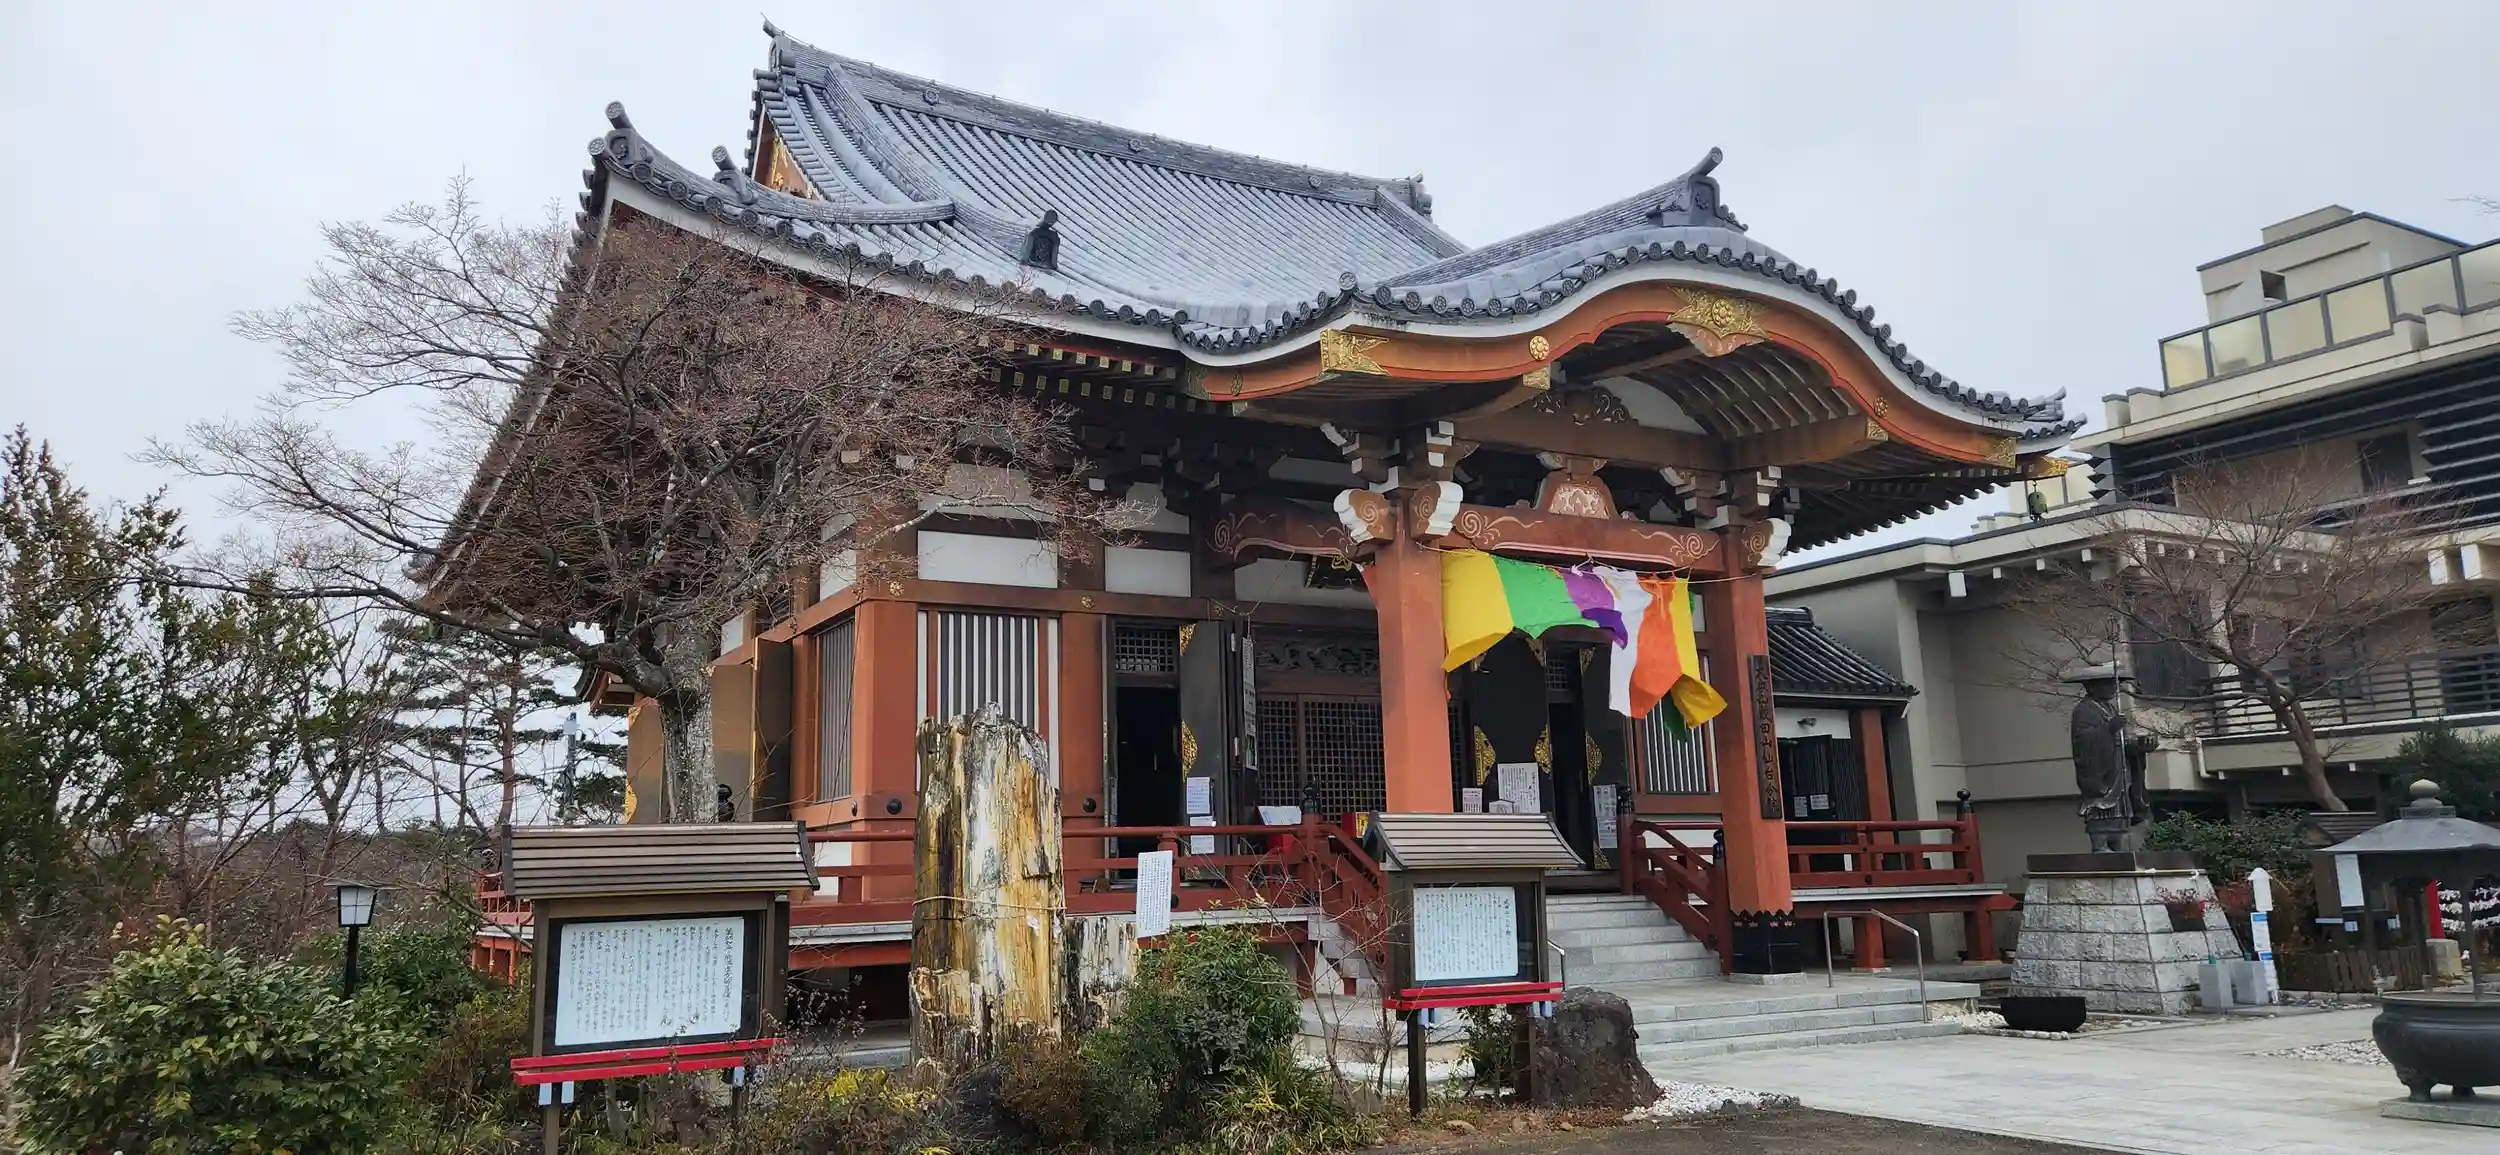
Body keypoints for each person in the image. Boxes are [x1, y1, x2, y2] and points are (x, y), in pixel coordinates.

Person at [2068, 664, 2155, 852]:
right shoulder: (2084, 710)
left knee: (2121, 806)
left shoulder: (2112, 708)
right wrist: (2109, 728)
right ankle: (2100, 845)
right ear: (2091, 687)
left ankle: (2116, 843)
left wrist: (2139, 746)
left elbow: (2122, 741)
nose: (2114, 688)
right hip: (2102, 772)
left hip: (2119, 767)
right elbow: (2083, 742)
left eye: (2115, 684)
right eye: (2108, 684)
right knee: (2102, 806)